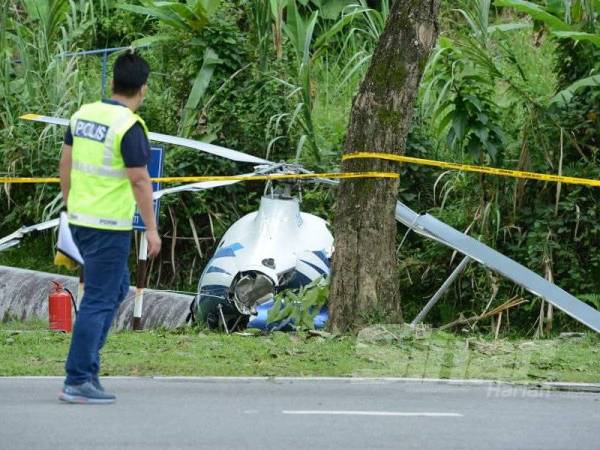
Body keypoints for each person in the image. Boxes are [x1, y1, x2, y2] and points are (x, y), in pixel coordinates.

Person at [58, 52, 161, 404]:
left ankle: (88, 368)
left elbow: (65, 163)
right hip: (108, 227)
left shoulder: (83, 115)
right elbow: (139, 179)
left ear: (113, 82)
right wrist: (151, 229)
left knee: (115, 289)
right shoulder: (129, 126)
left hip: (81, 220)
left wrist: (70, 205)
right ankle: (78, 378)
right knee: (100, 298)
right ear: (142, 89)